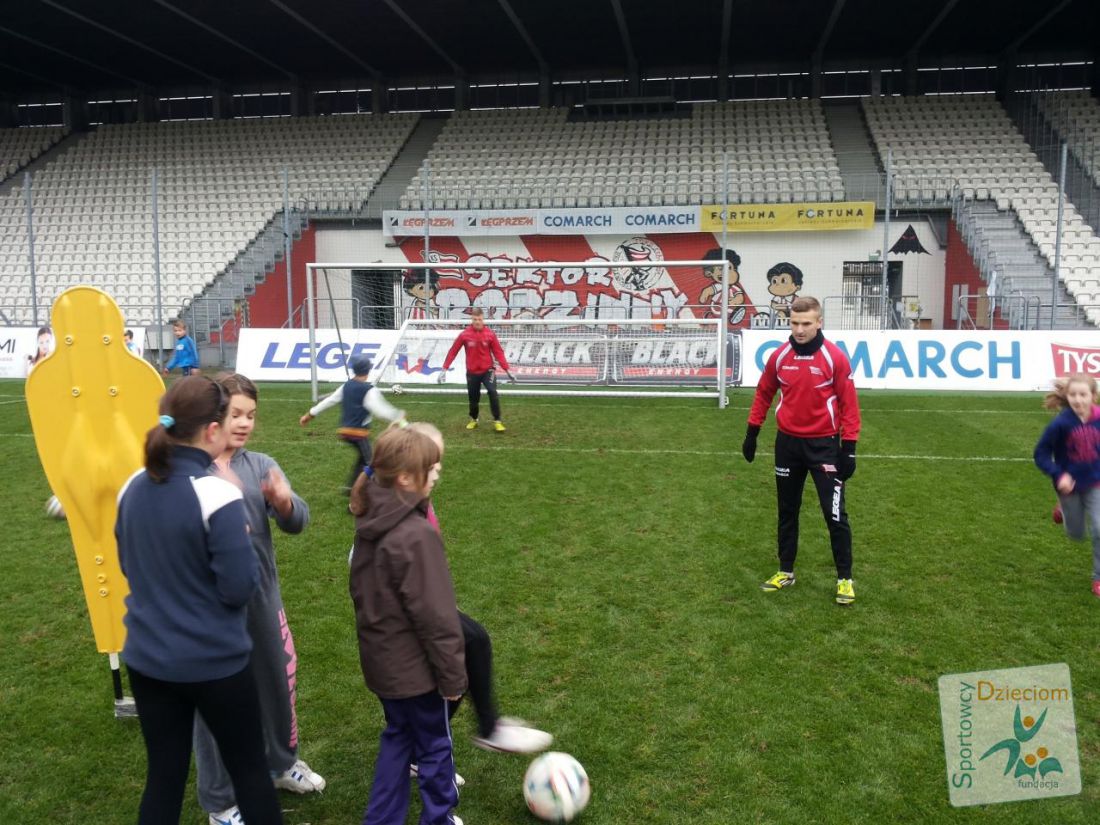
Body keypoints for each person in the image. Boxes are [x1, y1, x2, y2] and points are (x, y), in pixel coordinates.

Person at [115, 375, 283, 825]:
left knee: (164, 777)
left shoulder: (132, 485)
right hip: (213, 662)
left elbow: (129, 565)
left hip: (147, 660)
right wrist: (238, 539)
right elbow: (238, 589)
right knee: (250, 774)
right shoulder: (217, 493)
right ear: (212, 430)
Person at [194, 374, 324, 825]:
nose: (245, 423)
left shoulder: (261, 464)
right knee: (215, 704)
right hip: (210, 612)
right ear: (213, 416)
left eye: (251, 415)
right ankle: (220, 802)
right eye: (235, 414)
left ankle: (280, 764)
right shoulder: (192, 472)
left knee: (276, 682)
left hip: (262, 601)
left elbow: (297, 521)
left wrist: (284, 502)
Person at [403, 422, 553, 757]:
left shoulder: (419, 501)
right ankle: (450, 739)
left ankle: (458, 735)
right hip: (410, 614)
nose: (439, 471)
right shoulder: (402, 513)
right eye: (433, 464)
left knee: (470, 649)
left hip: (429, 602)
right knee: (465, 653)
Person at [349, 427, 467, 825]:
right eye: (430, 468)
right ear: (404, 477)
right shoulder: (416, 535)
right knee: (434, 745)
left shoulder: (369, 519)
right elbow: (437, 616)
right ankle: (438, 818)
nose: (436, 474)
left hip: (382, 664)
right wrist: (452, 676)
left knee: (398, 738)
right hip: (416, 673)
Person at [742, 296, 861, 605]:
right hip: (788, 446)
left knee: (835, 514)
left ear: (819, 322)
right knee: (787, 510)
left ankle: (845, 579)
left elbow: (849, 405)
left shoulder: (834, 358)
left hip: (824, 447)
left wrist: (849, 447)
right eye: (794, 323)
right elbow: (764, 393)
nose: (799, 330)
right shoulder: (780, 356)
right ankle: (786, 571)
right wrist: (752, 432)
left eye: (806, 323)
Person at [1033, 373, 1100, 598]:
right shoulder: (1061, 424)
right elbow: (1041, 453)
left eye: (1083, 394)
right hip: (1068, 486)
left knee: (1099, 529)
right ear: (1067, 396)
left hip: (1096, 483)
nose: (1078, 400)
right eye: (1073, 395)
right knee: (1076, 533)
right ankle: (1062, 508)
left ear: (1093, 396)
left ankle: (1098, 578)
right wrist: (1058, 475)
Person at [299, 355, 405, 493]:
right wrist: (397, 416)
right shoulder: (369, 390)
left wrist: (310, 415)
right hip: (358, 433)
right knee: (372, 462)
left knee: (362, 459)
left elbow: (329, 401)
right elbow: (380, 411)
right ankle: (377, 492)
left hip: (344, 431)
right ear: (368, 371)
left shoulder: (346, 386)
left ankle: (351, 488)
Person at [438, 307, 511, 432]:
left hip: (488, 370)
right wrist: (444, 369)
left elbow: (498, 352)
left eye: (479, 319)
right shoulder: (465, 335)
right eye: (475, 319)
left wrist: (507, 369)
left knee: (492, 391)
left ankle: (497, 421)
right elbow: (453, 351)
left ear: (483, 320)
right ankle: (474, 419)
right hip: (472, 372)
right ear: (472, 320)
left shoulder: (490, 334)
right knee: (473, 398)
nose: (477, 322)